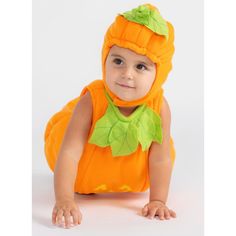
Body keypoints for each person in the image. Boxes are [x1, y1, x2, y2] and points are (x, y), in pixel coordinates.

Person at [44, 3, 177, 229]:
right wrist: (64, 199)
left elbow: (160, 158)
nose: (127, 74)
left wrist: (157, 200)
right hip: (81, 180)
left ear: (159, 72)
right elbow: (70, 151)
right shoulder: (91, 101)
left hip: (134, 183)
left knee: (167, 149)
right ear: (105, 58)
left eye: (141, 67)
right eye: (118, 61)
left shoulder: (159, 107)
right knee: (64, 137)